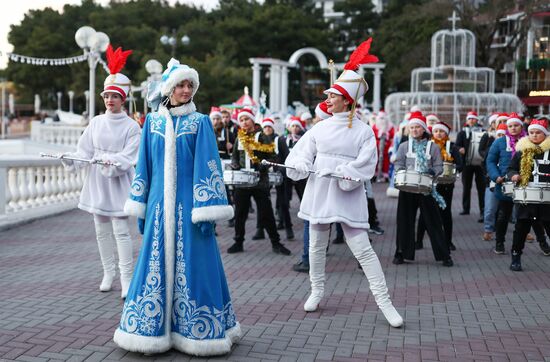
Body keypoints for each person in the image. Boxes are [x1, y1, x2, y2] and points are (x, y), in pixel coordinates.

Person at [114, 58, 241, 355]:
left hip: (190, 208)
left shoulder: (200, 122)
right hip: (158, 206)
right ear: (169, 88)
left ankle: (198, 334)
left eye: (190, 86)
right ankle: (149, 331)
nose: (186, 90)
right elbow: (143, 166)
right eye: (181, 85)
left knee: (196, 266)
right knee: (153, 264)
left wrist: (206, 209)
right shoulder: (153, 123)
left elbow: (208, 166)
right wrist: (141, 205)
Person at [285, 38, 403, 328]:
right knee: (315, 244)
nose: (327, 99)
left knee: (362, 248)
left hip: (346, 193)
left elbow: (368, 165)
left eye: (332, 96)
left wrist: (342, 172)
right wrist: (300, 164)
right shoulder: (319, 128)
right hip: (319, 191)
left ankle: (384, 302)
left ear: (347, 100)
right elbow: (299, 155)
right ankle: (316, 290)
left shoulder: (363, 131)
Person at [61, 45, 140, 299]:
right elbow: (84, 151)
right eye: (106, 96)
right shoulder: (95, 122)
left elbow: (128, 159)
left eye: (114, 96)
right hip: (97, 184)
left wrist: (107, 160)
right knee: (100, 229)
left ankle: (127, 277)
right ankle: (108, 272)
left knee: (121, 230)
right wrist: (71, 158)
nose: (109, 100)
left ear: (122, 99)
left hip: (118, 184)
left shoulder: (131, 127)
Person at [227, 108, 292, 255]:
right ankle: (238, 242)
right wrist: (235, 164)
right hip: (242, 183)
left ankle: (276, 243)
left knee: (266, 213)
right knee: (239, 214)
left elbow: (274, 157)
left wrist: (264, 164)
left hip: (260, 182)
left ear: (253, 120)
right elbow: (235, 157)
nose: (244, 122)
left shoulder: (261, 137)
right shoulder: (239, 138)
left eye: (247, 119)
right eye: (241, 120)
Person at [393, 111, 453, 267]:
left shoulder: (432, 147)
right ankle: (400, 253)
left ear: (424, 129)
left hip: (426, 188)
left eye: (417, 128)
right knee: (404, 221)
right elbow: (398, 163)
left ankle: (444, 255)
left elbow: (439, 166)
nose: (414, 130)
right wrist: (400, 171)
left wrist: (432, 172)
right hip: (407, 188)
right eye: (411, 127)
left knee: (433, 221)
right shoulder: (404, 146)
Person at [507, 118, 550, 271]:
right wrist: (514, 175)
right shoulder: (521, 151)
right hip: (527, 197)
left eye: (538, 133)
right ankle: (516, 256)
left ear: (545, 134)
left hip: (546, 198)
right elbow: (511, 168)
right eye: (531, 133)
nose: (534, 135)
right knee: (521, 228)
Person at [416, 119, 463, 251]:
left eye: (441, 131)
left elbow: (460, 164)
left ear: (446, 133)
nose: (438, 133)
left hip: (446, 184)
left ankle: (448, 241)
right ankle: (418, 240)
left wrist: (452, 168)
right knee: (425, 212)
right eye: (436, 131)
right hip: (430, 183)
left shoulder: (452, 147)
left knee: (446, 213)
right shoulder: (428, 146)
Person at [456, 111, 486, 222]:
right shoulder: (463, 132)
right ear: (467, 120)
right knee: (466, 187)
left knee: (481, 188)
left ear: (477, 120)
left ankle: (483, 210)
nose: (472, 121)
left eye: (474, 119)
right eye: (470, 119)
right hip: (467, 164)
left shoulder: (483, 131)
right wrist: (460, 149)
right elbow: (456, 145)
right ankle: (466, 208)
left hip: (480, 164)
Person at [478, 113, 503, 241]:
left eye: (503, 135)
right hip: (492, 182)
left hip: (510, 182)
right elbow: (485, 163)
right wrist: (488, 174)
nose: (501, 137)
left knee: (514, 211)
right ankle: (488, 229)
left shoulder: (514, 148)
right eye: (499, 135)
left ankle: (523, 231)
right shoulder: (491, 146)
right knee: (490, 208)